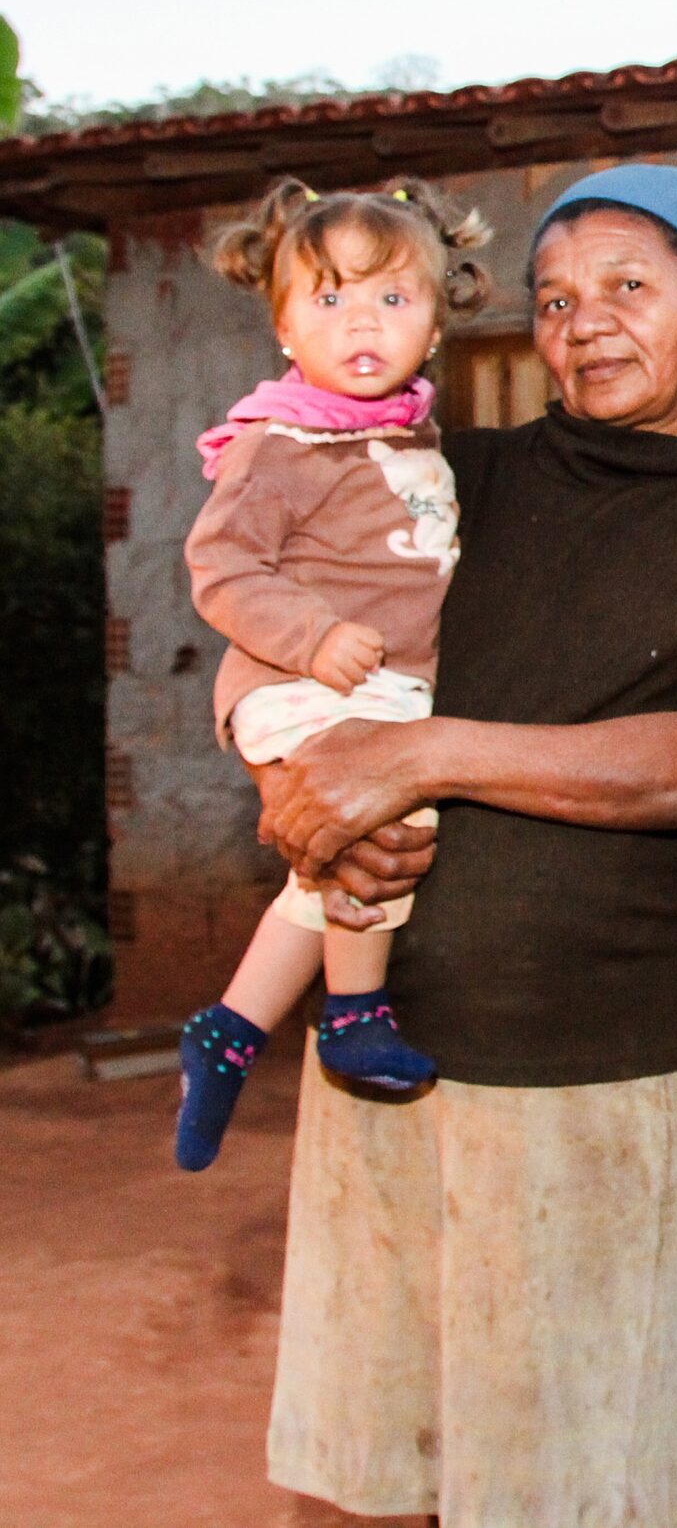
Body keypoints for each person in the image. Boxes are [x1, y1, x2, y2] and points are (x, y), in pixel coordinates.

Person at [249, 163, 677, 1528]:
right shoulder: (452, 474)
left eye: (631, 286)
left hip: (603, 1068)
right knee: (362, 1472)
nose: (585, 322)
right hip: (385, 1050)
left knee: (579, 1488)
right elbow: (277, 619)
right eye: (555, 298)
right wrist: (294, 777)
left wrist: (429, 750)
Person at [173, 177, 489, 1168]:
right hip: (294, 678)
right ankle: (350, 1010)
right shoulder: (281, 442)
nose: (362, 321)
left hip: (371, 685)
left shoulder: (404, 434)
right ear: (282, 325)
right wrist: (312, 636)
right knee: (381, 817)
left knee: (351, 850)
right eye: (330, 298)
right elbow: (220, 569)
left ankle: (230, 1029)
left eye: (392, 299)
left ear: (435, 326)